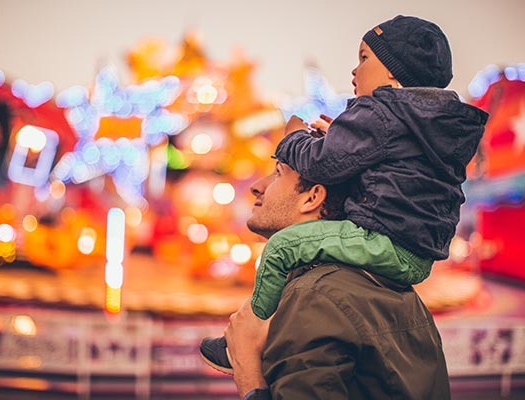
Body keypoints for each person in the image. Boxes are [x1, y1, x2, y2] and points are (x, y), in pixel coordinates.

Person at [200, 14, 489, 373]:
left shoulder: (379, 112)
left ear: (392, 73)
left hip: (381, 238)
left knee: (282, 246)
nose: (354, 71)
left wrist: (293, 140)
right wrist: (343, 135)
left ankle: (244, 340)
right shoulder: (433, 125)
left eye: (364, 57)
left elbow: (321, 165)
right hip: (418, 255)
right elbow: (395, 167)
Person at [227, 157, 450, 399]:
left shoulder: (315, 295)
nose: (257, 186)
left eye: (278, 173)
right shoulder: (384, 282)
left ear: (312, 198)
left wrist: (247, 370)